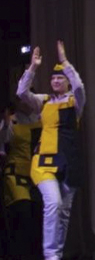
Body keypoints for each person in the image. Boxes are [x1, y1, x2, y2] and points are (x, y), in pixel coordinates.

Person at [17, 42, 85, 260]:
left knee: (63, 213)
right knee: (53, 203)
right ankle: (50, 255)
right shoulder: (44, 101)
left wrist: (65, 62)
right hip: (43, 163)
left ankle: (56, 255)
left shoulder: (74, 102)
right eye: (53, 78)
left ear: (67, 81)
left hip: (68, 164)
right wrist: (33, 67)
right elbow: (21, 92)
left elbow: (79, 87)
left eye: (60, 78)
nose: (55, 81)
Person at [1, 97, 42, 260]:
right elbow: (3, 141)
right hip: (15, 174)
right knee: (22, 213)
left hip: (37, 175)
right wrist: (5, 124)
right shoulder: (11, 122)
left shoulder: (42, 120)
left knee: (38, 216)